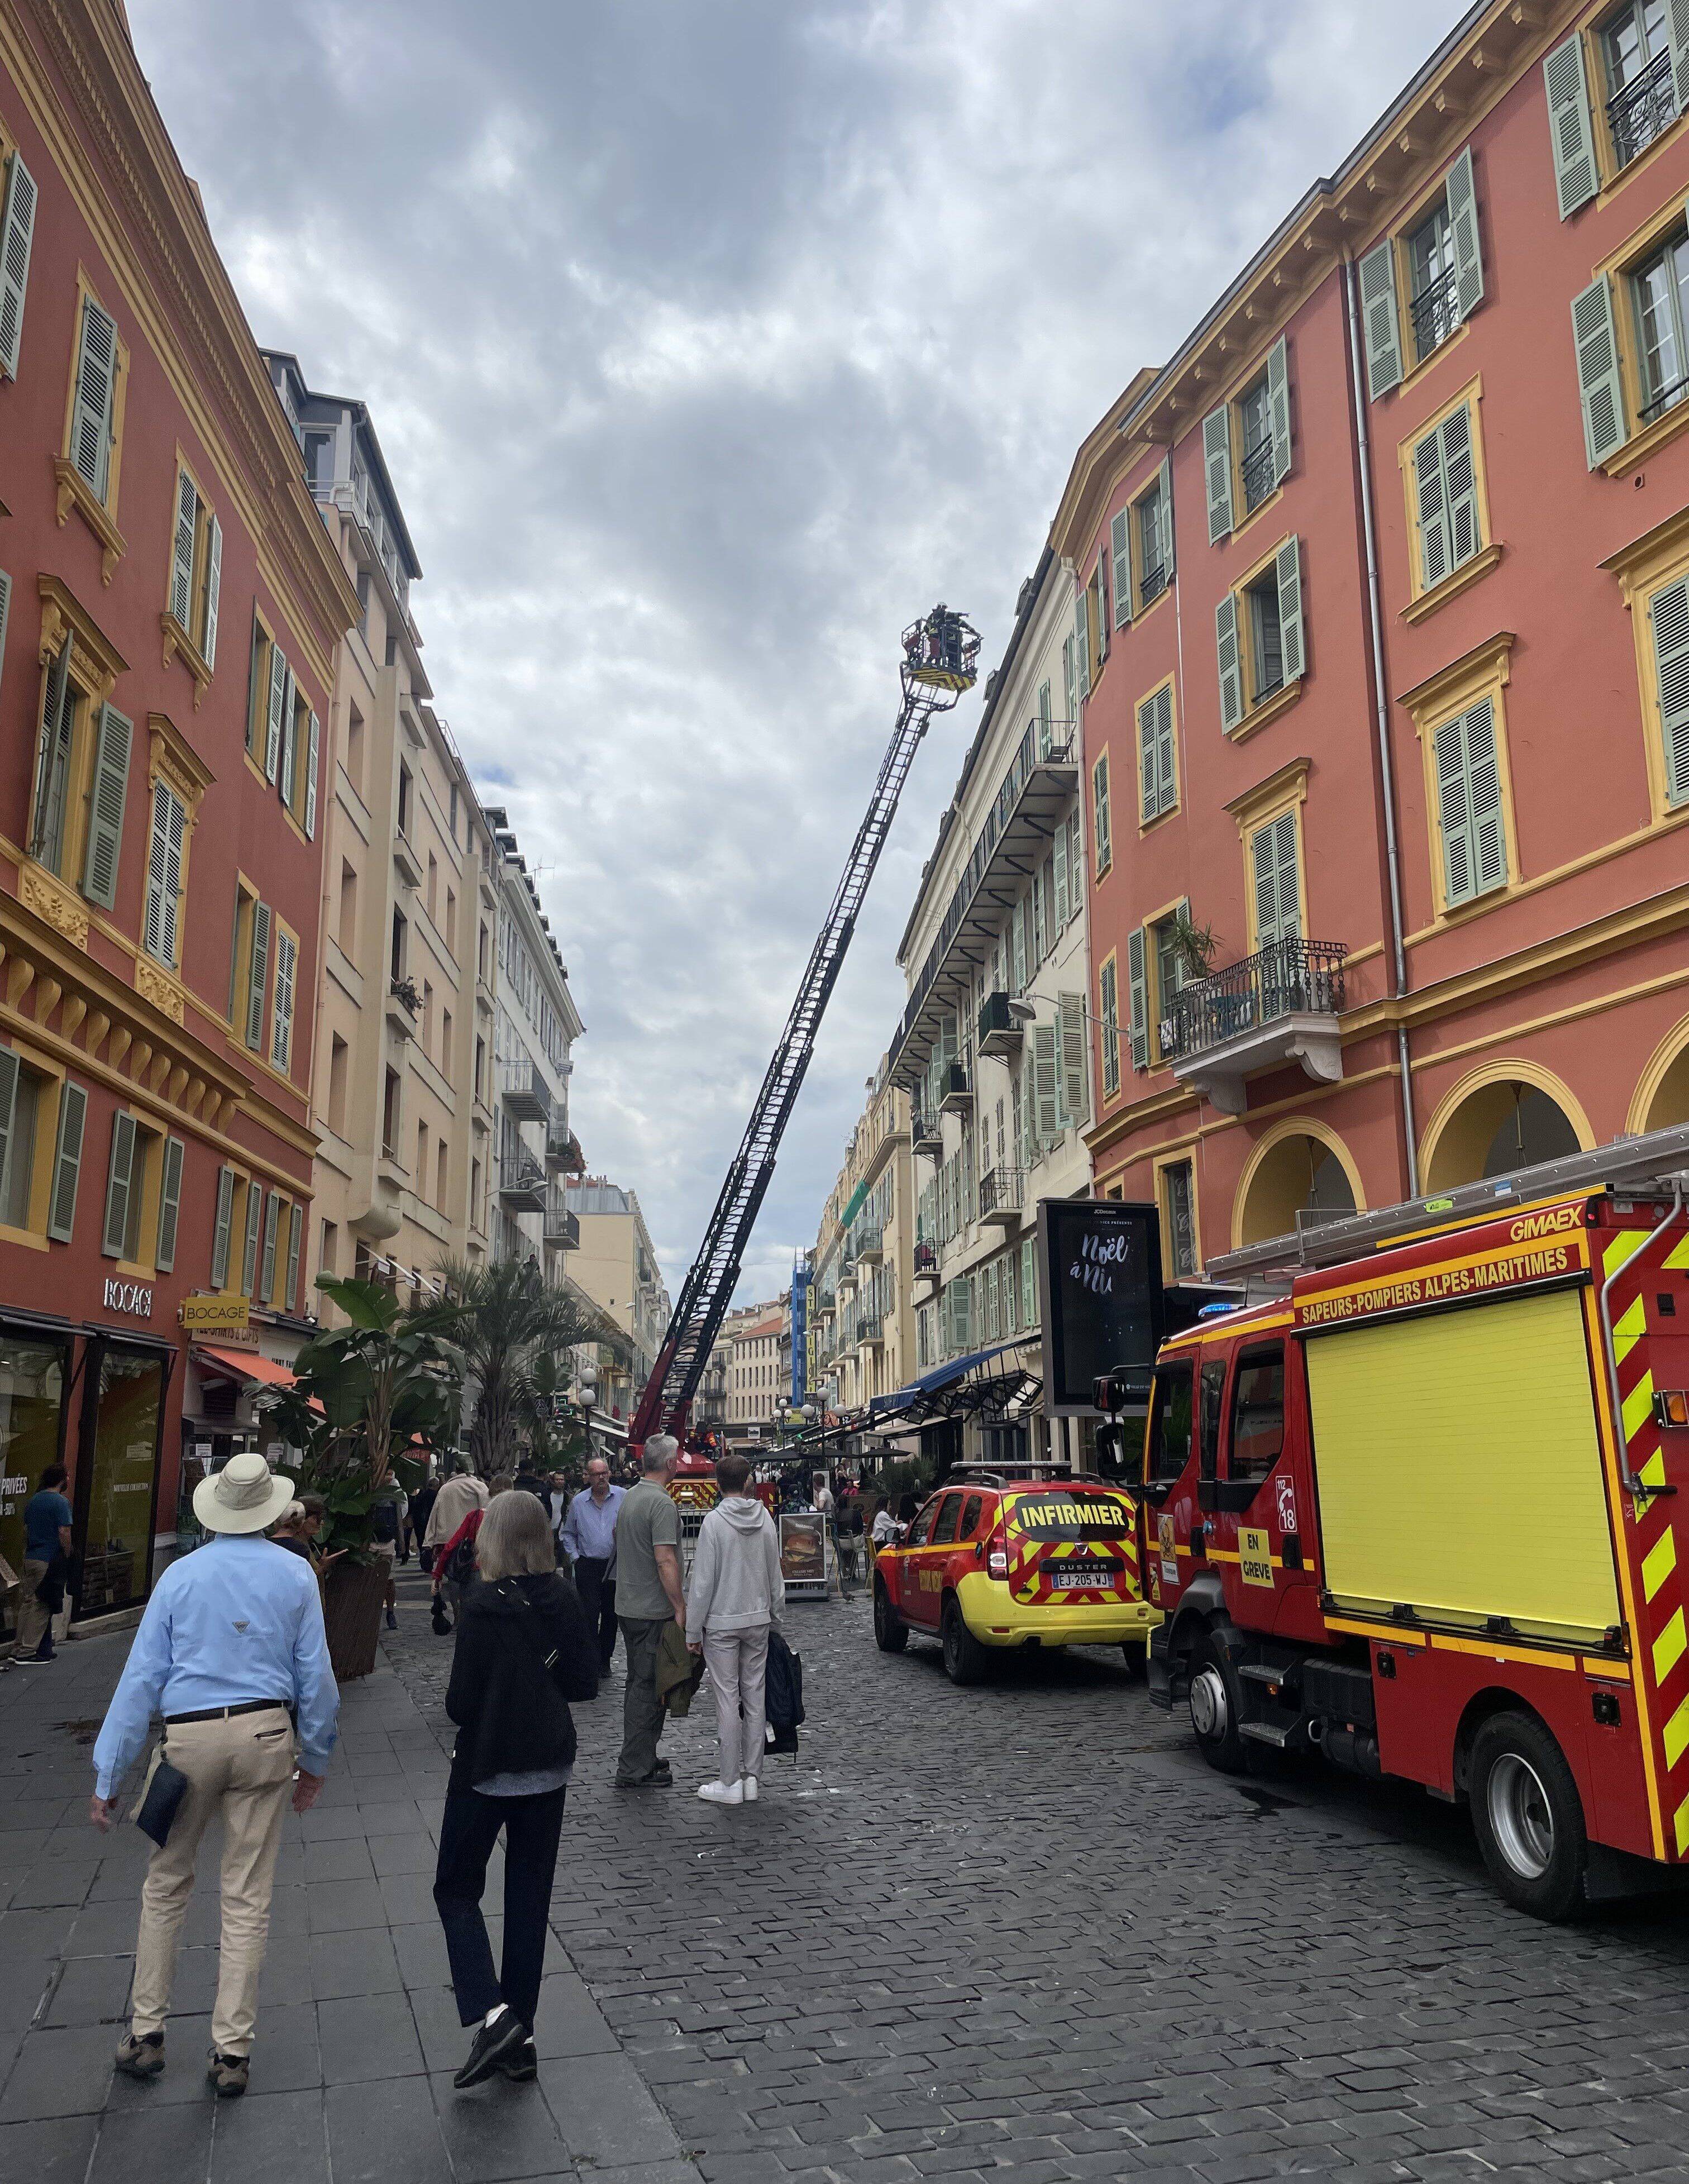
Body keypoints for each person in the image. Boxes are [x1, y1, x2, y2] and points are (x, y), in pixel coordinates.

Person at [89, 1451, 338, 2099]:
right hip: (265, 1736)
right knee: (247, 1894)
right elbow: (317, 1679)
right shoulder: (296, 1575)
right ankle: (231, 2048)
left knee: (167, 1882)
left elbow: (141, 1676)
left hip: (190, 1739)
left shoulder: (180, 1576)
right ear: (268, 1511)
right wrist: (315, 1759)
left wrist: (109, 1772)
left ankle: (147, 2032)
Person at [433, 1491, 597, 2088]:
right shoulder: (565, 1596)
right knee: (529, 1902)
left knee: (455, 1885)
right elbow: (583, 1683)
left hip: (487, 1766)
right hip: (548, 1766)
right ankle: (519, 2036)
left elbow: (459, 1704)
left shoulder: (479, 1607)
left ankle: (497, 2015)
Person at [685, 1453, 783, 1806]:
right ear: (748, 1482)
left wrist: (692, 1631)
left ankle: (729, 1781)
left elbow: (702, 1583)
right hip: (758, 1617)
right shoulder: (766, 1519)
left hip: (723, 1621)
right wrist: (776, 1612)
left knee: (728, 1698)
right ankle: (753, 1777)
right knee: (755, 1698)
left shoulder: (713, 1522)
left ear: (716, 1484)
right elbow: (775, 1570)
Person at [612, 1437, 685, 1789]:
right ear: (670, 1464)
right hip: (651, 1610)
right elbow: (664, 1558)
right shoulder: (660, 1504)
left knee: (642, 1684)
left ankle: (642, 1754)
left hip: (629, 1605)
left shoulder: (630, 1497)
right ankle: (634, 1767)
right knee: (648, 1688)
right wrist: (680, 1605)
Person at [561, 1457, 624, 1675]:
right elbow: (568, 1533)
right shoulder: (579, 1502)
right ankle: (591, 1657)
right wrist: (575, 1557)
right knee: (588, 1613)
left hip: (614, 1564)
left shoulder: (622, 1497)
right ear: (588, 1477)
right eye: (597, 1474)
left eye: (605, 1473)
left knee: (610, 1614)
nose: (602, 1478)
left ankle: (604, 1659)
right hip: (587, 1564)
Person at [433, 1476, 511, 1632]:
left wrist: (437, 1575)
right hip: (505, 1575)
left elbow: (451, 1546)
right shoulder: (515, 1519)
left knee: (472, 1624)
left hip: (477, 1574)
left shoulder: (476, 1516)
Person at [16, 1462, 73, 1664]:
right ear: (61, 1479)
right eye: (67, 1476)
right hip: (48, 1559)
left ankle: (18, 1647)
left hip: (31, 1556)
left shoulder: (34, 1500)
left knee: (28, 1603)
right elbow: (64, 1531)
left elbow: (26, 1530)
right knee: (41, 1605)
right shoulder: (60, 1502)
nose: (69, 1480)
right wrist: (68, 1554)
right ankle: (28, 1652)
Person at [424, 1460, 488, 1560]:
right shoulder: (480, 1487)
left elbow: (434, 1514)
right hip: (472, 1540)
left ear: (456, 1470)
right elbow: (487, 1512)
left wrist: (429, 1541)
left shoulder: (445, 1488)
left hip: (447, 1540)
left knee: (449, 1571)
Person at [410, 1469, 440, 1574]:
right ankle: (427, 1564)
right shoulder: (435, 1496)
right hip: (428, 1522)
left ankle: (424, 1562)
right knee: (428, 1544)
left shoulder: (421, 1495)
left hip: (419, 1523)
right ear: (436, 1486)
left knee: (421, 1543)